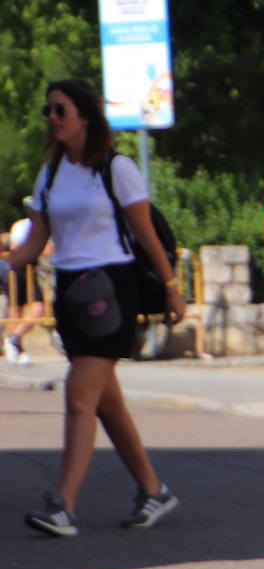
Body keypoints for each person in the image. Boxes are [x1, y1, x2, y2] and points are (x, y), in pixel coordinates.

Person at [0, 79, 184, 536]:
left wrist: (172, 287)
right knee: (106, 403)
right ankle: (153, 490)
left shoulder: (116, 169)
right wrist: (4, 266)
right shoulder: (52, 173)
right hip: (69, 292)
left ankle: (62, 504)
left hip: (111, 289)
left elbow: (145, 234)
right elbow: (36, 243)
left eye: (60, 110)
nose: (53, 119)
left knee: (80, 394)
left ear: (84, 115)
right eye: (49, 111)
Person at [4, 195, 45, 365]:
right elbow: (15, 247)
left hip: (30, 269)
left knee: (38, 309)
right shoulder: (22, 226)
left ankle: (13, 339)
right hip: (18, 269)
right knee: (16, 311)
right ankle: (16, 348)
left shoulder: (41, 226)